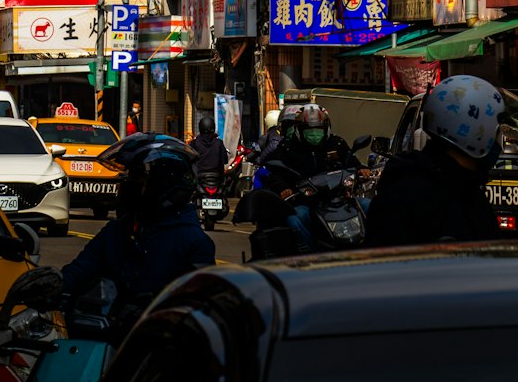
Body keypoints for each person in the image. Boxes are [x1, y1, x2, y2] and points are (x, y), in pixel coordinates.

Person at [61, 133, 215, 318]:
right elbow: (78, 272)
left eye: (136, 178)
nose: (127, 184)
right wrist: (52, 283)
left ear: (162, 183)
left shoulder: (193, 242)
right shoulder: (116, 232)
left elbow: (199, 309)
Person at [364, 75, 504, 247]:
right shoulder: (406, 197)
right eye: (496, 133)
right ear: (475, 132)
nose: (500, 143)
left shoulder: (466, 189)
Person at [255, 103, 363, 251]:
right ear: (299, 130)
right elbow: (272, 172)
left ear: (326, 129)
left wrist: (362, 169)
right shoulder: (287, 148)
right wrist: (283, 188)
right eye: (309, 132)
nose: (314, 135)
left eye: (318, 131)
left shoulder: (337, 143)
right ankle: (309, 253)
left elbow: (352, 162)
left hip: (338, 199)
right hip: (306, 202)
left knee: (369, 206)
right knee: (296, 218)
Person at [191, 113, 229, 181]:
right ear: (213, 127)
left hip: (200, 177)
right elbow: (225, 160)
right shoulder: (219, 143)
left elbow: (190, 159)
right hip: (217, 177)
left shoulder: (195, 143)